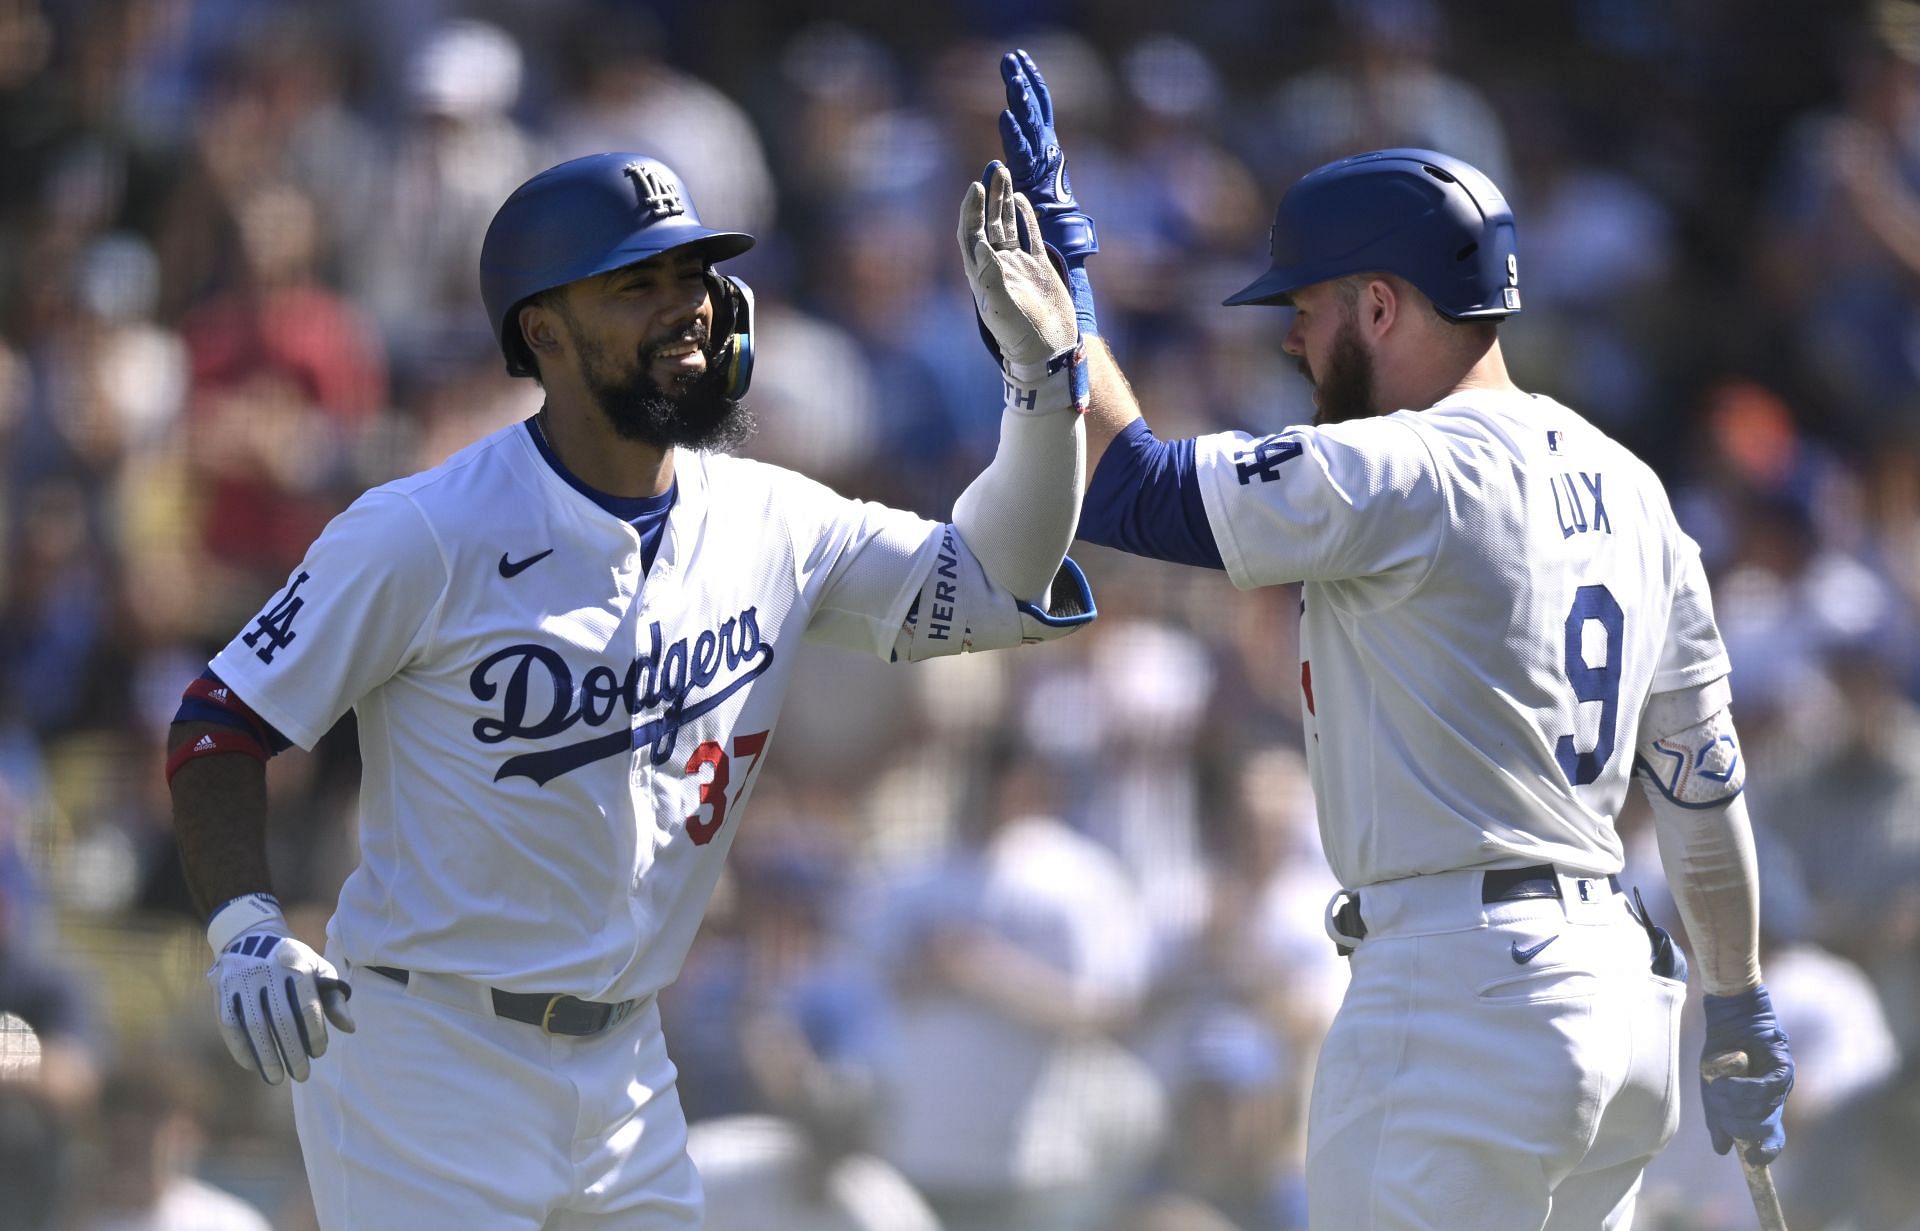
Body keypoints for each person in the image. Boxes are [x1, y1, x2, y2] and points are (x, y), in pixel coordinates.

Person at [164, 151, 1094, 1230]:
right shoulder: (421, 531)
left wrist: (1042, 383)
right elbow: (217, 725)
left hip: (629, 1069)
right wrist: (244, 927)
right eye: (635, 284)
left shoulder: (774, 520)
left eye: (693, 275)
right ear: (544, 331)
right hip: (430, 1061)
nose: (686, 307)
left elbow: (996, 580)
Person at [991, 50, 1795, 1229]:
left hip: (1460, 1005)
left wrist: (1068, 304)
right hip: (1622, 1002)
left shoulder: (1410, 464)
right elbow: (1703, 792)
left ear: (1382, 304)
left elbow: (1125, 490)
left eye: (1307, 307)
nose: (1291, 342)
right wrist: (1735, 1002)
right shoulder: (1634, 487)